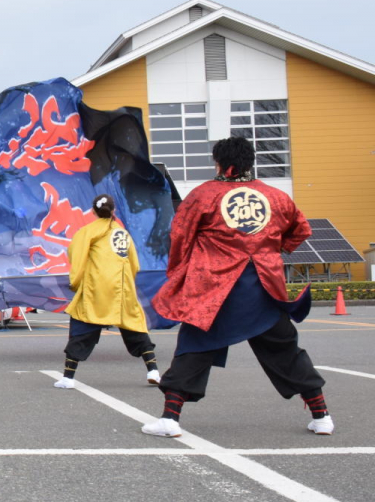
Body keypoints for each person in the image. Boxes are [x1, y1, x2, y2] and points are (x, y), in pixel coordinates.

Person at [142, 136, 331, 438]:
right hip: (264, 287)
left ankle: (170, 418)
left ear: (218, 162)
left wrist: (180, 273)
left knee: (195, 347)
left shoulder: (204, 195)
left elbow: (180, 236)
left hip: (214, 289)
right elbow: (301, 230)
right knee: (284, 348)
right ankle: (321, 415)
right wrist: (271, 248)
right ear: (250, 162)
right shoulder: (276, 197)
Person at [53, 194, 159, 389]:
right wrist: (128, 283)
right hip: (123, 288)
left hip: (97, 287)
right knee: (134, 327)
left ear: (93, 211)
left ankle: (68, 377)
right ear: (113, 211)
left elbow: (76, 256)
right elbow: (134, 263)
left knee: (81, 326)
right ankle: (153, 369)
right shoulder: (123, 233)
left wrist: (75, 282)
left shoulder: (88, 231)